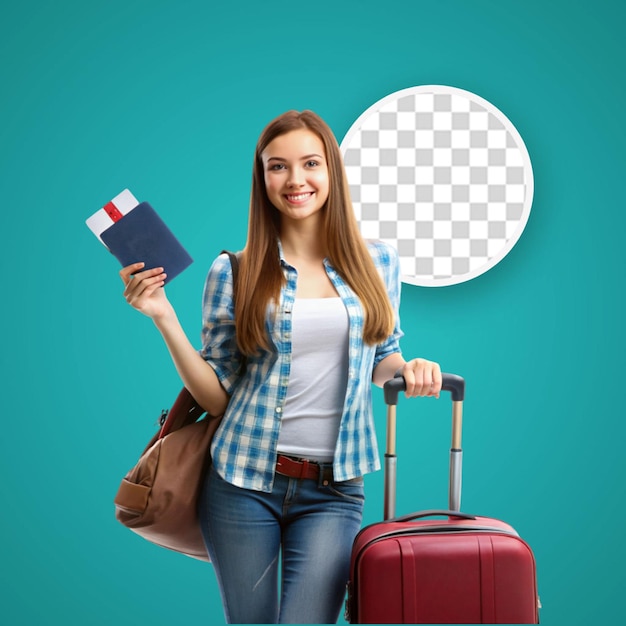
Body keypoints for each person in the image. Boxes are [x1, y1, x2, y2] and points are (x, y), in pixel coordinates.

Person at [120, 110, 442, 624]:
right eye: (278, 167)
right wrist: (164, 318)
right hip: (244, 482)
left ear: (332, 171)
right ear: (262, 177)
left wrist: (412, 369)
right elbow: (217, 394)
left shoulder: (379, 262)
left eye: (310, 163)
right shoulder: (235, 270)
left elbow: (383, 355)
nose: (295, 180)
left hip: (335, 490)